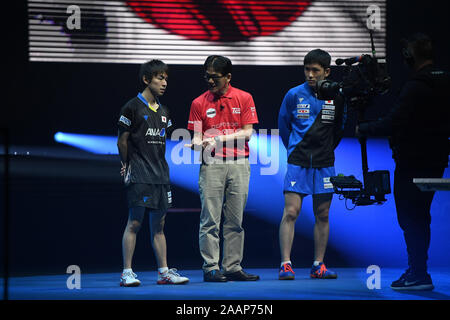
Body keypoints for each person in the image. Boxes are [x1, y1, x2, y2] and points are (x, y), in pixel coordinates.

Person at [357, 33, 450, 291]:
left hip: (412, 161)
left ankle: (418, 273)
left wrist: (365, 128)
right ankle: (419, 271)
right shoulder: (443, 81)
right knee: (420, 216)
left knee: (411, 218)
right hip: (436, 159)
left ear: (410, 56)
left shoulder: (417, 85)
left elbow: (394, 121)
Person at [185, 55, 260, 282]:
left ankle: (232, 267)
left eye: (214, 77)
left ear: (228, 77)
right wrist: (198, 144)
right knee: (210, 219)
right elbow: (197, 137)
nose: (209, 81)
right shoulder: (198, 103)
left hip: (239, 164)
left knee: (235, 220)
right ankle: (211, 267)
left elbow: (248, 132)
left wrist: (218, 139)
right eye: (206, 77)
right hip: (212, 165)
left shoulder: (244, 98)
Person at [117, 59, 189, 286]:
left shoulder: (165, 111)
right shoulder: (131, 107)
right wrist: (125, 164)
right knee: (135, 223)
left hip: (161, 176)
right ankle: (127, 272)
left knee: (159, 227)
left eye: (166, 78)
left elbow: (162, 143)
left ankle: (164, 272)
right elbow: (122, 141)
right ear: (146, 79)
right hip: (139, 173)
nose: (164, 82)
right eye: (159, 78)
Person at [278, 49, 346, 280]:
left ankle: (319, 265)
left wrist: (324, 150)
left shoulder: (336, 96)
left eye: (315, 70)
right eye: (307, 69)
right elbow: (284, 125)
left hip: (325, 163)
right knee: (291, 212)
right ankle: (285, 264)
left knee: (323, 214)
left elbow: (339, 128)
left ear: (327, 71)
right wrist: (296, 149)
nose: (310, 75)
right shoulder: (293, 95)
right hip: (298, 161)